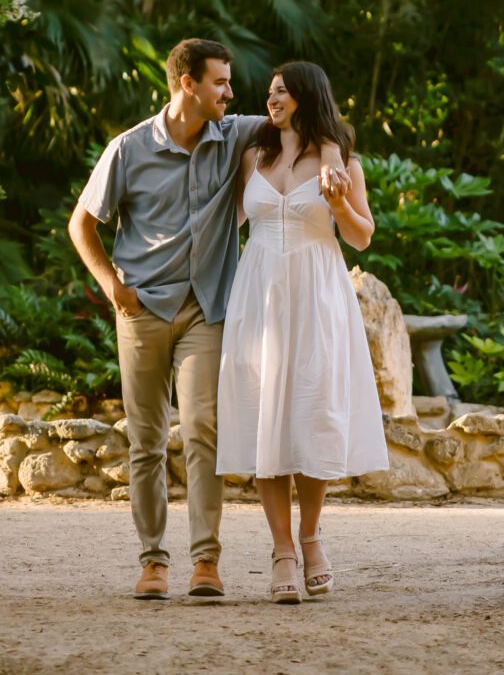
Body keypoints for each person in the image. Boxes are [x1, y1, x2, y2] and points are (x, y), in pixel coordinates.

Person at [67, 37, 254, 604]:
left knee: (203, 430)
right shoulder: (127, 149)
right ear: (187, 84)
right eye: (220, 82)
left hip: (207, 309)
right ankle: (152, 561)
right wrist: (113, 289)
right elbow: (82, 224)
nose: (230, 91)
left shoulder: (234, 134)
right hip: (142, 309)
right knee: (146, 441)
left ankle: (205, 563)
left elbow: (297, 125)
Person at [216, 59, 387, 603]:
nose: (272, 100)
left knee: (313, 415)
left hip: (317, 293)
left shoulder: (343, 165)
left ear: (308, 97)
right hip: (260, 293)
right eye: (269, 92)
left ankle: (312, 539)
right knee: (266, 418)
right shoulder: (253, 156)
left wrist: (337, 202)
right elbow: (228, 224)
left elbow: (361, 238)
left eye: (283, 92)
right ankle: (281, 550)